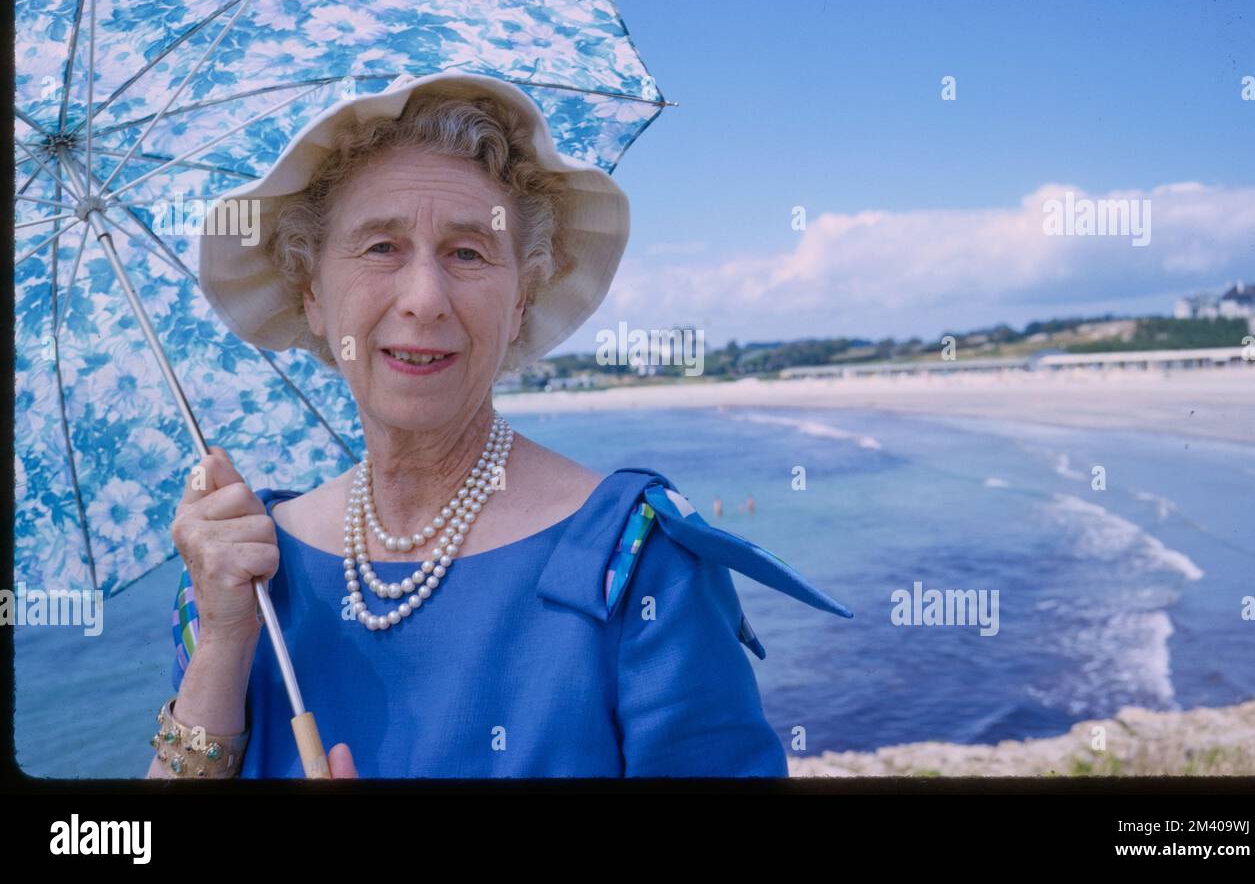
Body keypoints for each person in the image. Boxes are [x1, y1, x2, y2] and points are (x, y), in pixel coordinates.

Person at [149, 71, 852, 780]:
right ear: (313, 295)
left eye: (467, 253)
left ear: (520, 303)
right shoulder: (246, 572)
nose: (424, 298)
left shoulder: (638, 563)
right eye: (380, 247)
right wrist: (223, 640)